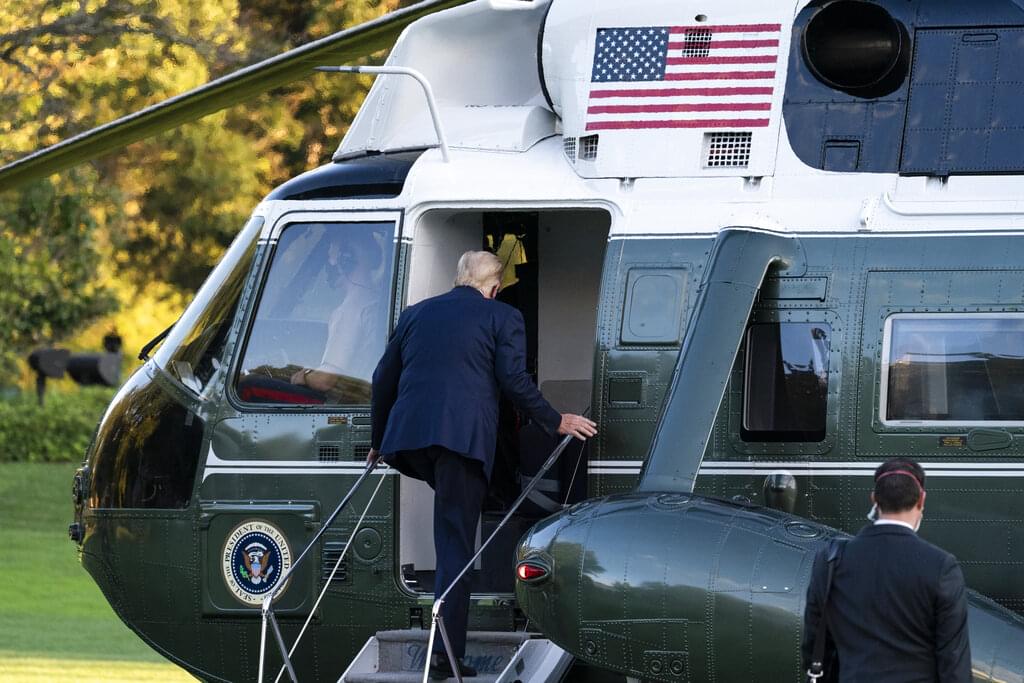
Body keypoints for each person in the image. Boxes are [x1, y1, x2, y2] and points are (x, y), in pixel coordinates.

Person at [368, 250, 597, 680]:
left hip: (413, 443)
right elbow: (513, 380)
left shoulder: (416, 313)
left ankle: (443, 645)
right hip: (461, 443)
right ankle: (443, 660)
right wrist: (556, 420)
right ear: (493, 288)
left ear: (460, 279)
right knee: (456, 543)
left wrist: (378, 442)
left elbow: (383, 378)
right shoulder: (503, 317)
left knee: (456, 519)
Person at [802, 457, 971, 683]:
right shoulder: (941, 566)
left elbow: (814, 645)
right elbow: (954, 663)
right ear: (921, 499)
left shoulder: (832, 560)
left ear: (874, 499)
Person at [290, 229, 388, 397]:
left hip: (348, 400)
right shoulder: (378, 302)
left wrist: (303, 377)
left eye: (331, 256)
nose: (329, 262)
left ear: (346, 260)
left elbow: (325, 380)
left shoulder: (350, 310)